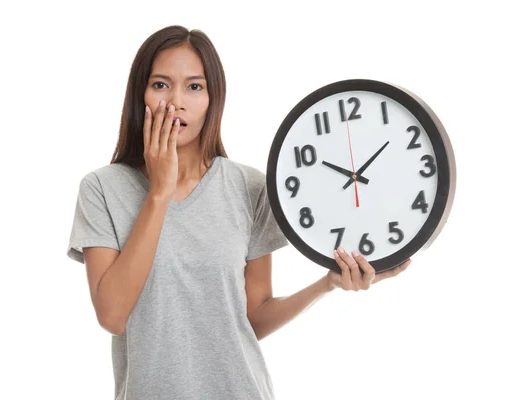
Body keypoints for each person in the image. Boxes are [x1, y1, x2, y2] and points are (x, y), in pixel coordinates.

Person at [66, 25, 412, 400]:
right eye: (161, 84)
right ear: (140, 96)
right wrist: (159, 194)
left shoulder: (249, 188)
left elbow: (251, 318)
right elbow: (112, 315)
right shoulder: (102, 189)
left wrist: (326, 284)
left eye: (194, 87)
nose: (176, 101)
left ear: (214, 99)